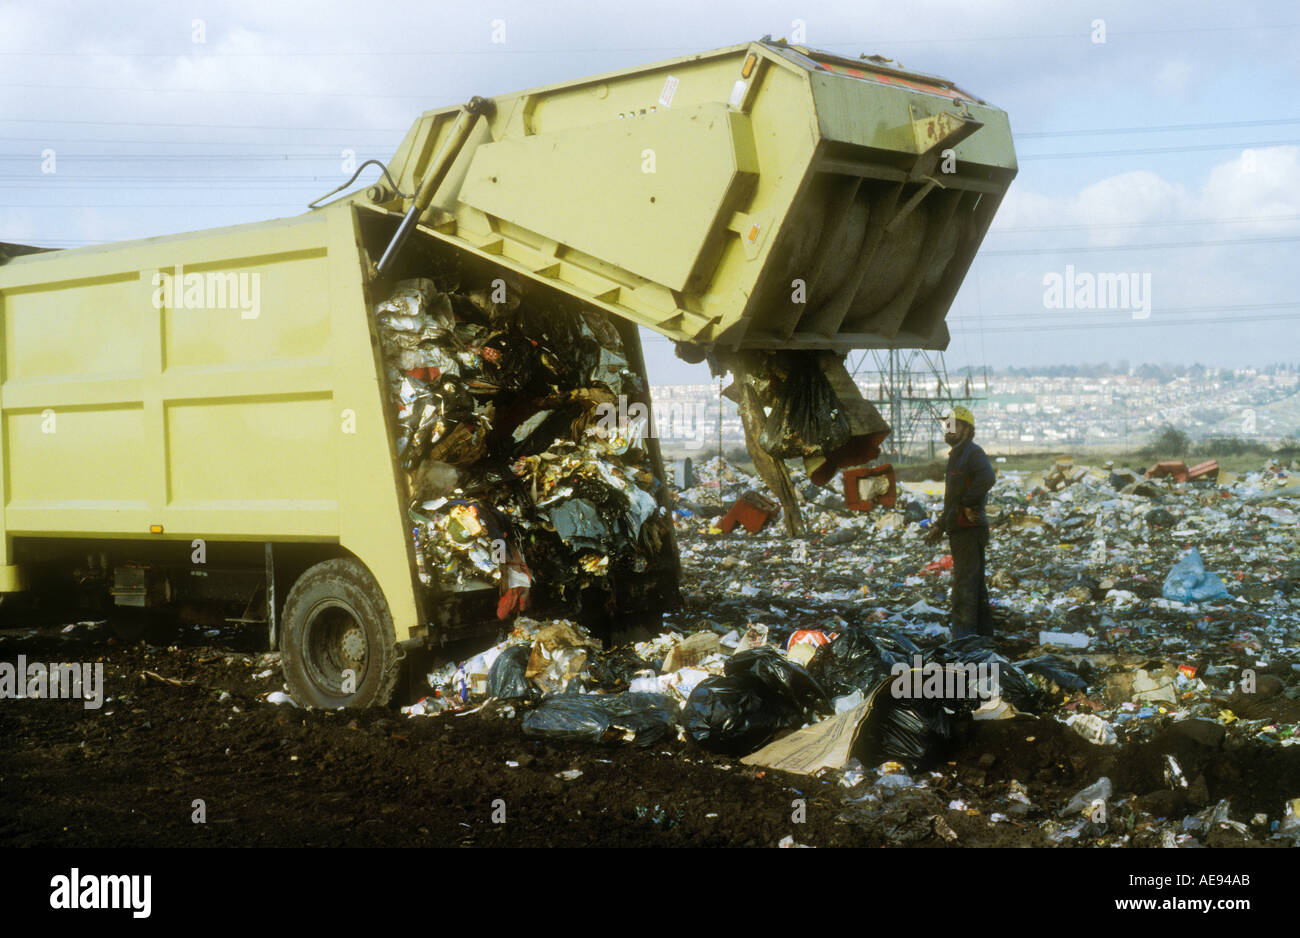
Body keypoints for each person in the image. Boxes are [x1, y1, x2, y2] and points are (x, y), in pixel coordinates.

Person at [925, 406, 996, 638]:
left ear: (968, 429)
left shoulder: (972, 453)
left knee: (965, 588)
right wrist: (940, 525)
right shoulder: (957, 456)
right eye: (947, 425)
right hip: (960, 528)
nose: (949, 429)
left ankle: (963, 641)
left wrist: (968, 503)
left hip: (970, 529)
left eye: (954, 425)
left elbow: (987, 477)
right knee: (974, 586)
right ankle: (984, 638)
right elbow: (952, 501)